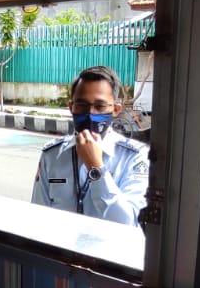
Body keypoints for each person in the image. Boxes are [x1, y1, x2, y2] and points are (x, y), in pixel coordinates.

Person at [31, 66, 150, 227]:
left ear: (115, 110)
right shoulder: (52, 155)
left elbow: (128, 223)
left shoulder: (134, 157)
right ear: (71, 107)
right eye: (82, 105)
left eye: (100, 107)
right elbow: (39, 216)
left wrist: (96, 168)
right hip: (58, 250)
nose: (90, 114)